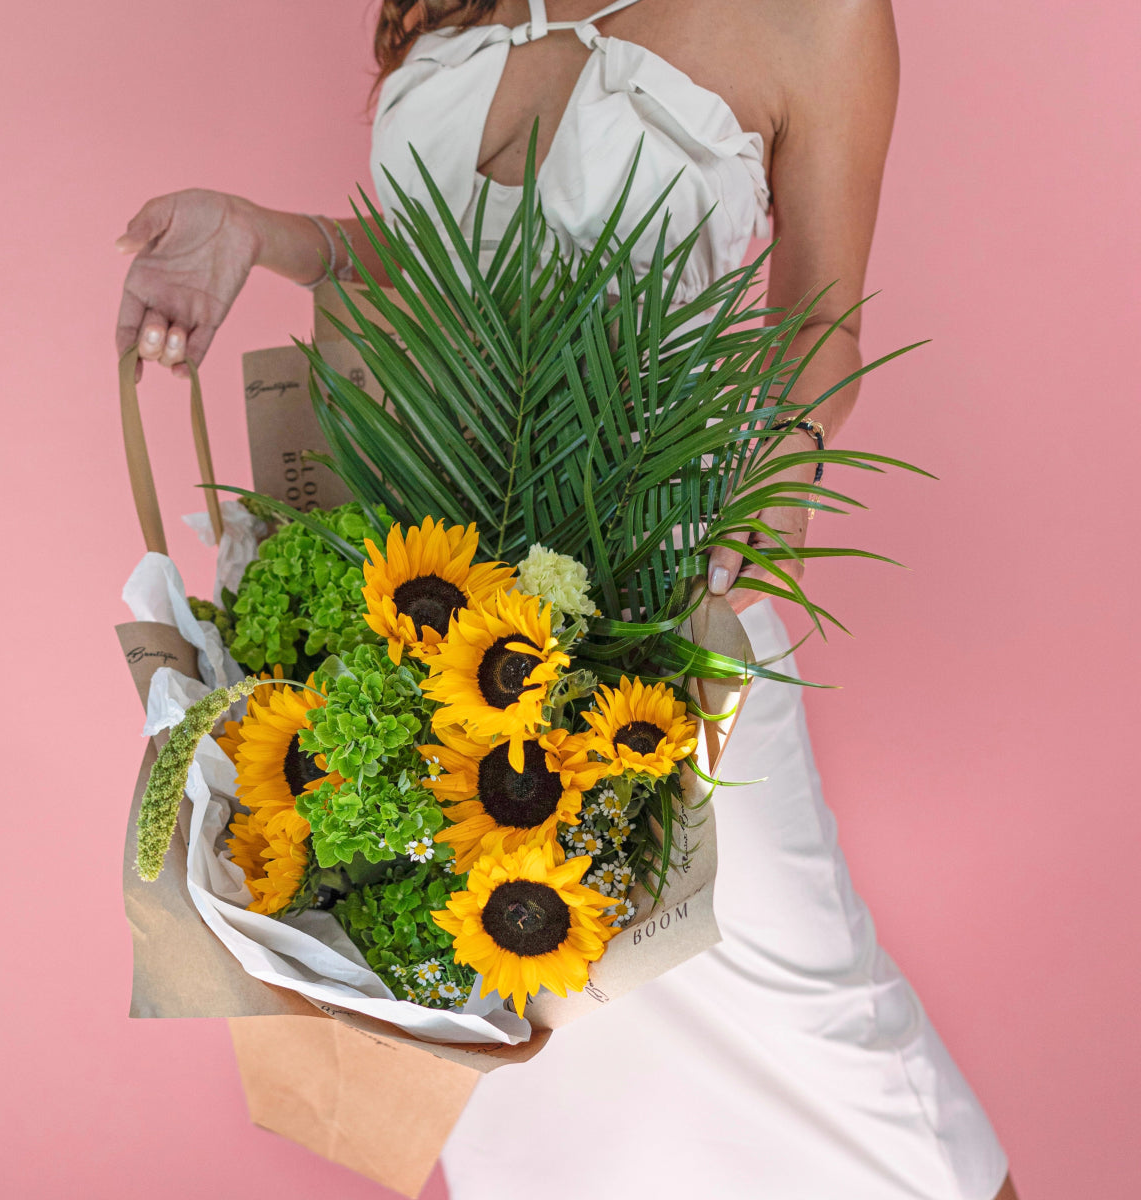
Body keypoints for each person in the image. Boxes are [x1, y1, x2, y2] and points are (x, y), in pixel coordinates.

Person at [114, 2, 1018, 1196]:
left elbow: (819, 330)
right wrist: (255, 231)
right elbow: (428, 275)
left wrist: (756, 509)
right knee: (522, 1075)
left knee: (816, 1012)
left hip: (664, 631)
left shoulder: (818, 14)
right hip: (431, 626)